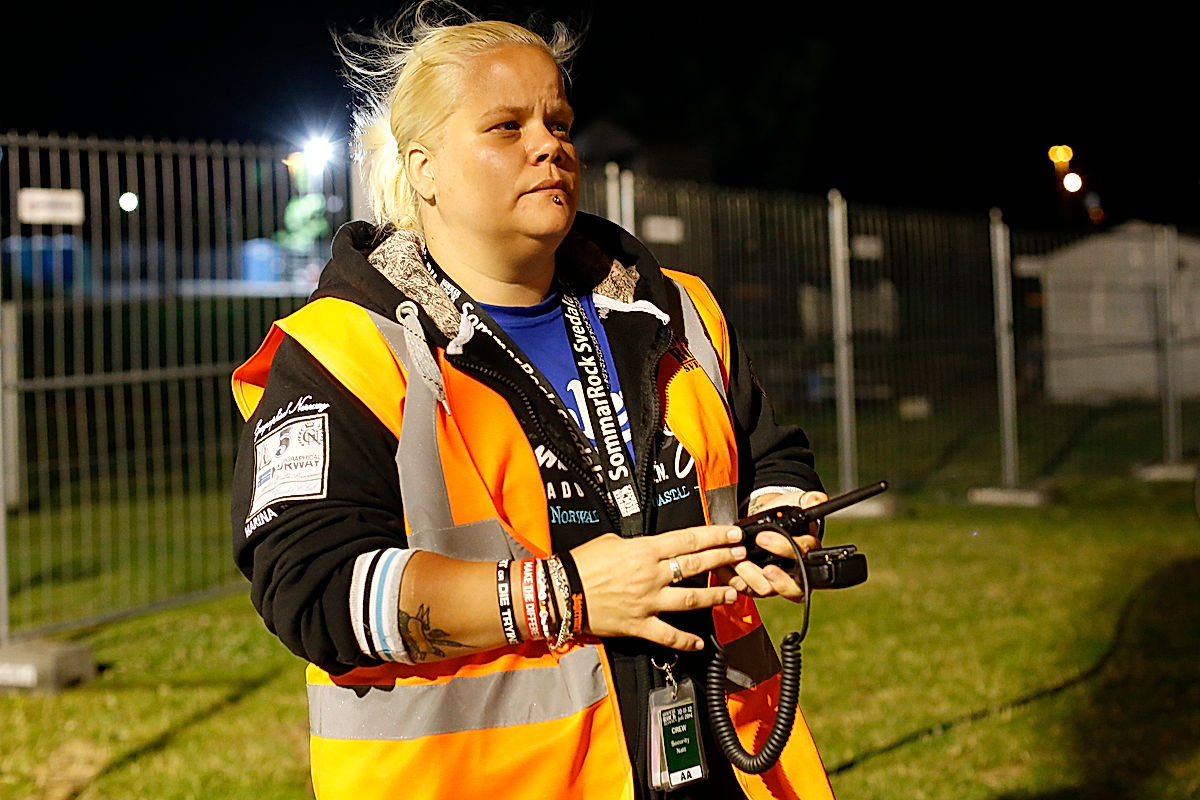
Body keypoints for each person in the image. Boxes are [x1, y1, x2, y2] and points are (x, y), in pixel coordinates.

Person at [230, 3, 835, 798]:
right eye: (506, 127)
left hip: (720, 754)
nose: (549, 144)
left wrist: (777, 510)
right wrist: (567, 597)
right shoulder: (344, 352)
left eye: (558, 121)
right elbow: (309, 588)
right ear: (423, 170)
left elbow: (764, 449)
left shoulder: (674, 311)